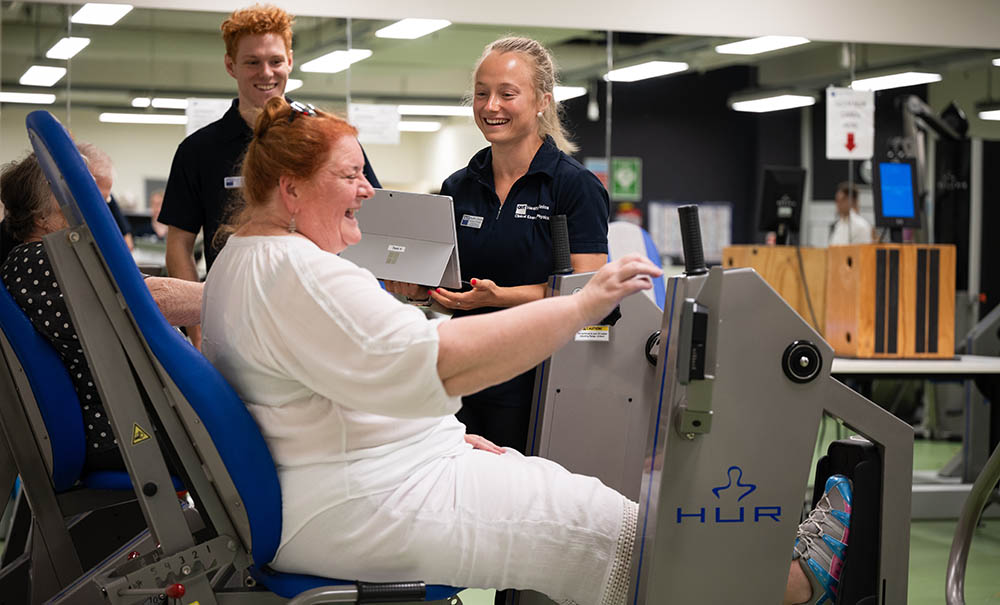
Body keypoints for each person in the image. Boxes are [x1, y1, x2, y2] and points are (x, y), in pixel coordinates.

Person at [201, 97, 853, 605]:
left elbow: (326, 388)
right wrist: (577, 305)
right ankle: (791, 585)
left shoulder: (244, 258)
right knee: (618, 531)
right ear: (290, 190)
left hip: (354, 480)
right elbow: (438, 359)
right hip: (360, 501)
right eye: (349, 176)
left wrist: (437, 438)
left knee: (584, 499)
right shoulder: (302, 272)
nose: (368, 190)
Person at [385, 37, 609, 452]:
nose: (491, 107)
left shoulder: (572, 186)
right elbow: (453, 291)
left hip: (538, 374)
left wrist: (499, 297)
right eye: (482, 94)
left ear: (542, 100)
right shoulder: (458, 186)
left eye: (507, 94)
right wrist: (420, 293)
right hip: (464, 371)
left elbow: (589, 294)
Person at [157, 4, 380, 349]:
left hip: (318, 312)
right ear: (231, 66)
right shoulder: (198, 151)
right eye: (252, 62)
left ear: (290, 60)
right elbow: (179, 244)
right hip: (234, 318)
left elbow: (369, 215)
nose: (266, 72)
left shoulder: (325, 139)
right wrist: (197, 328)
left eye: (275, 60)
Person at [0, 152, 203, 473]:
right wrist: (236, 296)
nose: (91, 200)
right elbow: (150, 300)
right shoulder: (44, 261)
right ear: (41, 216)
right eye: (72, 189)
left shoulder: (44, 259)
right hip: (122, 426)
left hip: (125, 415)